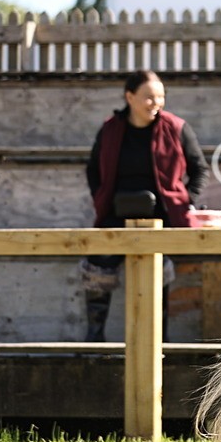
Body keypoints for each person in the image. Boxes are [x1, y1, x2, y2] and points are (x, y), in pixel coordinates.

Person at [83, 70, 209, 342]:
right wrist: (100, 197)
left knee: (159, 270)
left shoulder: (176, 128)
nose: (156, 103)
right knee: (97, 266)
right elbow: (92, 169)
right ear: (129, 97)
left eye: (161, 97)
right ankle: (94, 340)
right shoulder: (110, 130)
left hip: (163, 218)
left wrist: (185, 200)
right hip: (114, 216)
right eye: (149, 97)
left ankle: (158, 342)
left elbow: (200, 169)